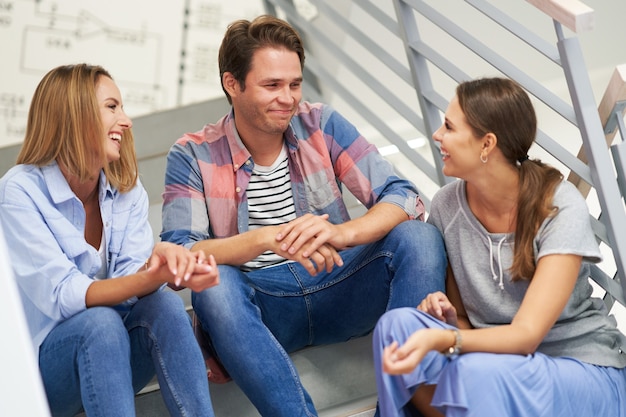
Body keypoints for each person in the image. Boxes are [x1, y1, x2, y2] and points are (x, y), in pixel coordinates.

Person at [161, 14, 447, 417]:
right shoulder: (192, 154)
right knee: (214, 283)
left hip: (338, 283)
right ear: (232, 84)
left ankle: (400, 410)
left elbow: (403, 196)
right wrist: (267, 239)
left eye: (294, 84)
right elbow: (180, 254)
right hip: (263, 304)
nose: (289, 98)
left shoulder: (322, 124)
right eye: (272, 85)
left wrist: (344, 235)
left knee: (420, 237)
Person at [372, 77, 626, 417]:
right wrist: (448, 318)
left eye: (449, 126)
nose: (437, 135)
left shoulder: (557, 205)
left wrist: (443, 340)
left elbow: (526, 336)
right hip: (493, 366)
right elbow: (463, 322)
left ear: (487, 144)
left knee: (478, 375)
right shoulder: (447, 206)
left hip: (577, 366)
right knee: (396, 328)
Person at [0, 64, 220, 417]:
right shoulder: (20, 191)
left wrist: (159, 265)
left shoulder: (125, 189)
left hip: (111, 356)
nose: (127, 120)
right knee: (100, 323)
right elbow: (64, 296)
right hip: (44, 377)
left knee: (163, 306)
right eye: (112, 107)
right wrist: (152, 273)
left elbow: (133, 282)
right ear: (75, 114)